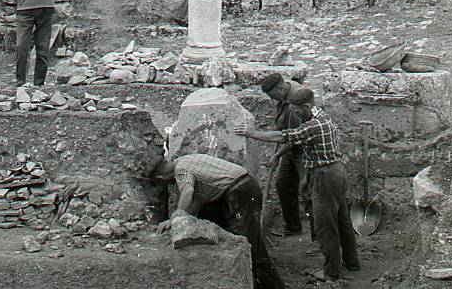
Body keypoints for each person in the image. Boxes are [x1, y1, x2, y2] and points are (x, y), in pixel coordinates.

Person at [235, 107, 360, 284]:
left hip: (323, 176)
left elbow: (280, 136)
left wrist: (250, 133)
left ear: (306, 107)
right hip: (337, 171)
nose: (297, 116)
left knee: (325, 226)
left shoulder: (312, 126)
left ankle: (331, 273)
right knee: (342, 219)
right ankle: (352, 262)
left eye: (298, 112)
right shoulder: (326, 118)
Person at [146, 153, 286, 289]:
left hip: (239, 192)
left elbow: (187, 192)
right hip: (243, 187)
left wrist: (175, 217)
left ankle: (272, 286)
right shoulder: (186, 160)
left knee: (249, 243)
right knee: (242, 239)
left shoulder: (181, 170)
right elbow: (197, 201)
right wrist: (182, 220)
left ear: (161, 177)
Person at [260, 73, 316, 238]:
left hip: (304, 151)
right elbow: (283, 131)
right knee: (283, 185)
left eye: (273, 96)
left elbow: (295, 137)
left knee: (309, 192)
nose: (273, 100)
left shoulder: (294, 104)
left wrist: (277, 155)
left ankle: (318, 236)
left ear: (280, 88)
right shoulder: (284, 91)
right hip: (289, 149)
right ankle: (292, 227)